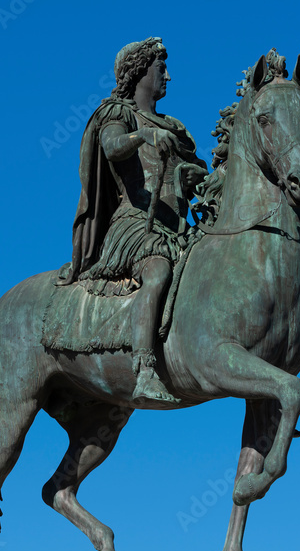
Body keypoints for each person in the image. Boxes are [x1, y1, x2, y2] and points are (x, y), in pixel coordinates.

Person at [59, 37, 208, 405]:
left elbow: (197, 172)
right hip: (136, 224)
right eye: (162, 68)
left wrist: (191, 176)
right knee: (157, 271)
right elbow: (112, 147)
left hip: (179, 228)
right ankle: (144, 370)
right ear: (140, 70)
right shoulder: (117, 113)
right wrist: (143, 134)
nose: (168, 76)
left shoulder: (174, 126)